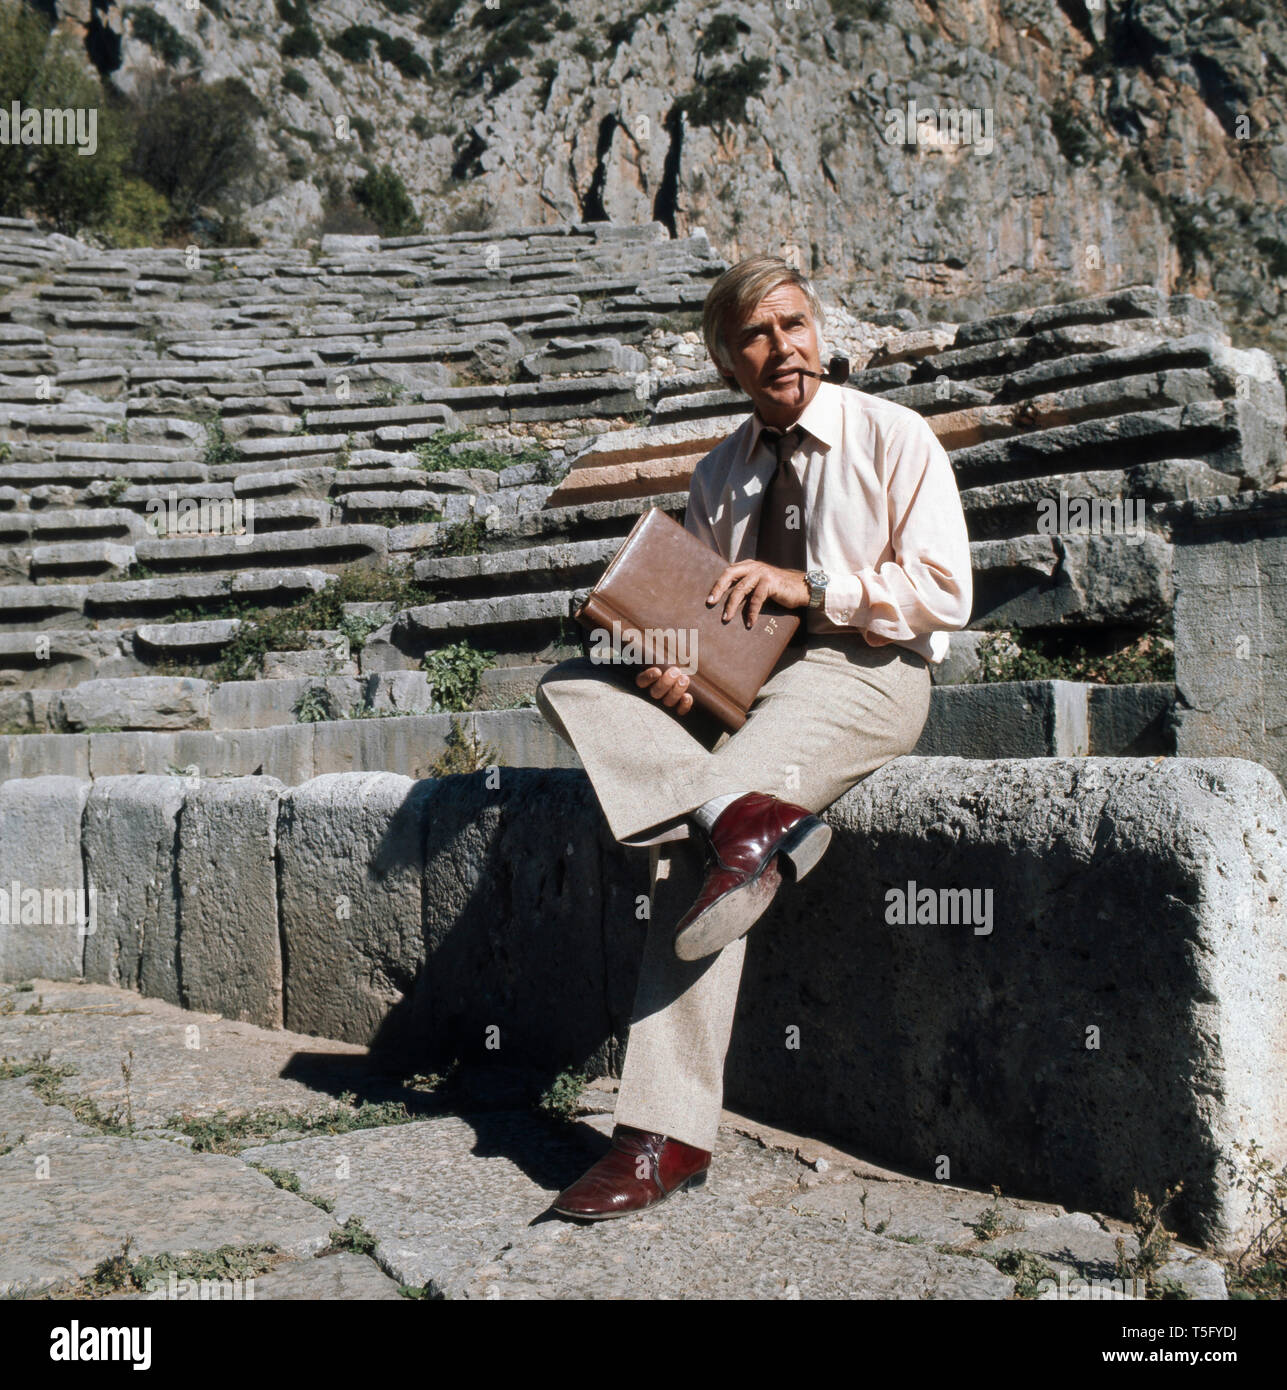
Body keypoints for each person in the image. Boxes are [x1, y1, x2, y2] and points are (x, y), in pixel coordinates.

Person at [534, 255, 973, 1220]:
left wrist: (814, 590)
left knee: (693, 861)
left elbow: (946, 592)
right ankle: (748, 817)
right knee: (572, 682)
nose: (782, 348)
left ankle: (662, 1136)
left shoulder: (893, 437)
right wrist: (673, 674)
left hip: (864, 671)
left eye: (794, 324)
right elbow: (711, 625)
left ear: (820, 335)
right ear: (729, 363)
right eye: (755, 336)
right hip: (751, 695)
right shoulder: (718, 475)